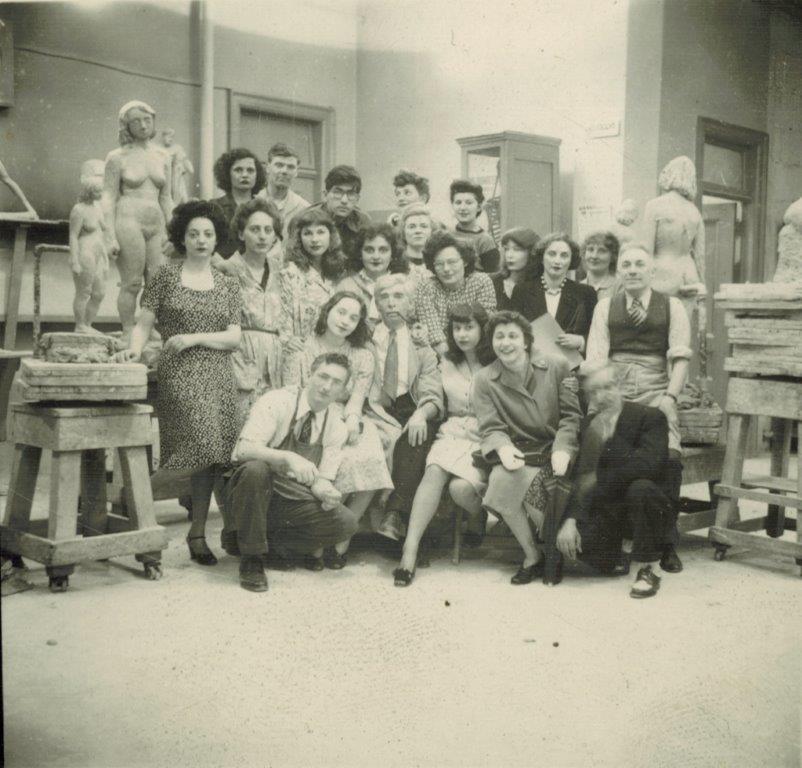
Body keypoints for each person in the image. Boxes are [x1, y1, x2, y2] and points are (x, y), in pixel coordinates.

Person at [114, 200, 242, 566]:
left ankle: (198, 532)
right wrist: (133, 351)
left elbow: (234, 337)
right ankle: (135, 500)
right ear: (181, 238)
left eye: (208, 234)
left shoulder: (227, 283)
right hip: (180, 371)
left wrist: (196, 337)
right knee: (201, 445)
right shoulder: (166, 276)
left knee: (215, 453)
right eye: (193, 234)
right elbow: (143, 323)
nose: (201, 240)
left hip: (218, 371)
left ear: (217, 239)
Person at [583, 243, 690, 571]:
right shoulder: (605, 306)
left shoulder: (672, 306)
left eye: (639, 264)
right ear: (619, 271)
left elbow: (681, 357)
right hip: (616, 392)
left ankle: (668, 542)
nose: (632, 270)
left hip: (656, 389)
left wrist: (669, 399)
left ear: (651, 271)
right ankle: (609, 538)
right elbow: (597, 357)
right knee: (604, 453)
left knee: (669, 457)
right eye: (626, 264)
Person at [223, 353, 359, 592]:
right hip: (251, 487)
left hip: (289, 495)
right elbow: (243, 450)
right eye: (323, 376)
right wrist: (288, 457)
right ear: (309, 375)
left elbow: (322, 479)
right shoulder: (277, 401)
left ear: (343, 391)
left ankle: (263, 544)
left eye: (336, 382)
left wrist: (326, 492)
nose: (327, 386)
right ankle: (252, 560)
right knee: (256, 470)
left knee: (345, 523)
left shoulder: (336, 426)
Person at [283, 292, 393, 566]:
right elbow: (295, 393)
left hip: (347, 415)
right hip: (313, 416)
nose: (346, 321)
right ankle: (319, 541)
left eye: (354, 317)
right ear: (327, 311)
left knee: (369, 458)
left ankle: (341, 540)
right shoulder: (302, 348)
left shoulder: (363, 356)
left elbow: (357, 399)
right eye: (341, 312)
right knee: (334, 465)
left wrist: (353, 419)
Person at [472, 311, 580, 584]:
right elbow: (490, 425)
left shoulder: (556, 365)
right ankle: (532, 555)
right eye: (499, 337)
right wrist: (502, 447)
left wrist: (563, 447)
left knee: (538, 489)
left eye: (512, 336)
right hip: (519, 450)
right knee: (500, 481)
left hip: (554, 449)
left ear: (526, 341)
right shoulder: (485, 379)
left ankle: (554, 549)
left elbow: (571, 416)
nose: (505, 343)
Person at [556, 362, 679, 598]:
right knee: (581, 548)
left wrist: (601, 476)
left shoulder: (650, 417)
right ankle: (623, 550)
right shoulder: (591, 425)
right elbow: (582, 477)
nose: (601, 396)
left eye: (608, 387)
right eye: (594, 391)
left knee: (640, 488)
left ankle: (646, 569)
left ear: (621, 386)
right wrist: (570, 520)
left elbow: (648, 466)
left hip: (648, 505)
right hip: (612, 509)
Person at [393, 303, 494, 586]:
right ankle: (409, 552)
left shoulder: (496, 361)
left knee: (460, 490)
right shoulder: (446, 362)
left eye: (469, 328)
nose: (462, 335)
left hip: (487, 434)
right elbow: (435, 399)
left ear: (482, 329)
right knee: (434, 469)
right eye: (457, 328)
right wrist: (420, 414)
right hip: (453, 430)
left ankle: (479, 515)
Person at [367, 274, 444, 540]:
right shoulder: (365, 338)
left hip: (410, 406)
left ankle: (395, 515)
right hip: (374, 408)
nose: (391, 304)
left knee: (418, 434)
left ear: (411, 303)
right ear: (376, 304)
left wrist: (421, 413)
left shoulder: (422, 346)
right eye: (384, 298)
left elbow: (433, 393)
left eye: (398, 297)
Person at [103, 100, 173, 341]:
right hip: (128, 218)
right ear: (126, 125)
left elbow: (167, 198)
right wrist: (109, 235)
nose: (143, 125)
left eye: (147, 120)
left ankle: (147, 328)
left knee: (155, 284)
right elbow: (108, 197)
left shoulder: (164, 156)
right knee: (131, 282)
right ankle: (126, 329)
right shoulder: (116, 157)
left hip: (156, 222)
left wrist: (173, 232)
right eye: (136, 121)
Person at [223, 197, 285, 423]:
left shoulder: (282, 270)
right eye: (254, 229)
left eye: (268, 230)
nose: (262, 236)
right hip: (240, 356)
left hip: (277, 359)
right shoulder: (227, 270)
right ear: (241, 234)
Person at [277, 206, 349, 383]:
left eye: (320, 232)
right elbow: (281, 311)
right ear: (299, 238)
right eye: (308, 233)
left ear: (330, 236)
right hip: (298, 352)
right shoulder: (290, 272)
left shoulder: (335, 274)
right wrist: (287, 339)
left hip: (328, 351)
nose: (315, 239)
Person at [414, 230, 497, 355]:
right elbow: (434, 335)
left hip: (479, 352)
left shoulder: (481, 282)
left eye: (452, 262)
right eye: (439, 264)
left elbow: (483, 328)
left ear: (465, 261)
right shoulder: (426, 287)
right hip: (441, 356)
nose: (446, 269)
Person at [641, 156, 706, 302]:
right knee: (684, 323)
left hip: (661, 275)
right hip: (689, 275)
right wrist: (701, 283)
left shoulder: (654, 206)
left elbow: (646, 250)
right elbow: (700, 257)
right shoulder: (694, 211)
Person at [523, 232, 598, 355]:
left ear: (571, 261)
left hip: (572, 367)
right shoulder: (523, 291)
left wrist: (581, 341)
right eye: (552, 254)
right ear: (542, 258)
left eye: (564, 256)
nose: (557, 261)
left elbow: (598, 336)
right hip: (532, 363)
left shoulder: (586, 293)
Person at [336, 222, 409, 326]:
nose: (376, 256)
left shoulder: (404, 284)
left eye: (383, 250)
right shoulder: (346, 286)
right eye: (369, 250)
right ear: (360, 253)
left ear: (393, 254)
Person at [69, 159, 109, 335]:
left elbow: (105, 230)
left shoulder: (98, 208)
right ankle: (80, 325)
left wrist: (109, 253)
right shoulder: (79, 210)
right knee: (84, 291)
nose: (101, 193)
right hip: (85, 253)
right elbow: (73, 236)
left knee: (99, 293)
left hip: (99, 253)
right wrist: (75, 261)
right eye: (98, 191)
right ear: (90, 191)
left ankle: (88, 324)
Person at [305, 165, 371, 260]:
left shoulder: (362, 222)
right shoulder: (306, 218)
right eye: (337, 193)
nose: (344, 200)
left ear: (357, 199)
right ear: (325, 195)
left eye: (351, 194)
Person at [212, 148, 267, 258]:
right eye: (238, 170)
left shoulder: (265, 208)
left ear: (257, 175)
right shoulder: (214, 207)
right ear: (227, 174)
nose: (245, 175)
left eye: (250, 170)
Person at [258, 142, 310, 234]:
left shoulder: (304, 209)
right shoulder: (253, 201)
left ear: (296, 172)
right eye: (279, 165)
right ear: (268, 167)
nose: (284, 171)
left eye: (290, 167)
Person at [449, 178, 499, 273]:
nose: (462, 208)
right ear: (453, 206)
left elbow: (494, 277)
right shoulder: (447, 235)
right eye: (458, 202)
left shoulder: (485, 240)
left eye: (469, 203)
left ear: (479, 207)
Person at [491, 227, 540, 313]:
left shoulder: (539, 285)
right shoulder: (492, 281)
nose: (509, 255)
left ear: (531, 252)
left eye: (517, 250)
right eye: (506, 249)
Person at [398, 203, 437, 285]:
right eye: (412, 227)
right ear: (403, 232)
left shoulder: (438, 264)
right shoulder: (396, 264)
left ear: (432, 231)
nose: (418, 231)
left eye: (424, 226)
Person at [579, 231, 620, 301]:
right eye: (590, 249)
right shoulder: (578, 287)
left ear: (613, 256)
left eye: (602, 251)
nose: (594, 256)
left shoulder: (620, 287)